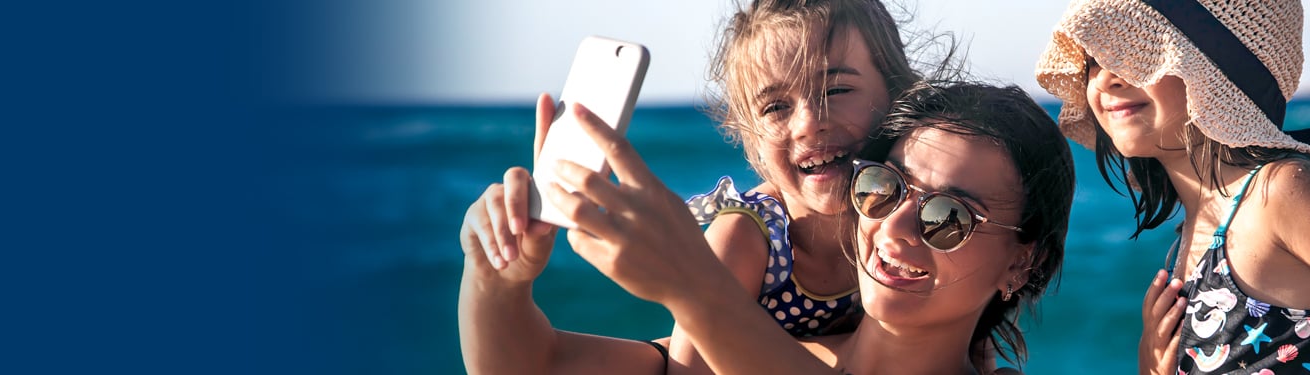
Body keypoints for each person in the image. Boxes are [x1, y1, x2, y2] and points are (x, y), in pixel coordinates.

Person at [459, 0, 922, 373]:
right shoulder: (748, 238)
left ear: (899, 94)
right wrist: (496, 280)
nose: (808, 124)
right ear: (750, 139)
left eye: (836, 90)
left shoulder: (925, 219)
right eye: (775, 107)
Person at [542, 80, 1074, 374]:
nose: (896, 227)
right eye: (884, 187)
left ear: (1022, 261)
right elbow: (531, 363)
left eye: (948, 217)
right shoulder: (779, 347)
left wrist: (694, 289)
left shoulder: (741, 349)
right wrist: (501, 274)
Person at [1034, 0, 1310, 373]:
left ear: (1218, 69)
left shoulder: (1277, 193)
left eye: (1136, 53)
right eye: (1095, 59)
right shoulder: (1191, 235)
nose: (1105, 78)